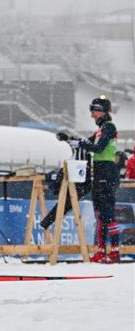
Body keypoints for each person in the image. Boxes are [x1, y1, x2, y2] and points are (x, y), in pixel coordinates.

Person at [59, 96, 120, 263]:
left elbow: (98, 148)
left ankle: (114, 252)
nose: (92, 115)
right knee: (99, 214)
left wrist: (81, 144)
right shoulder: (101, 129)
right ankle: (101, 250)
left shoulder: (108, 127)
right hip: (99, 173)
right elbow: (87, 142)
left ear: (102, 111)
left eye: (94, 111)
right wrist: (69, 139)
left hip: (107, 172)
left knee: (108, 214)